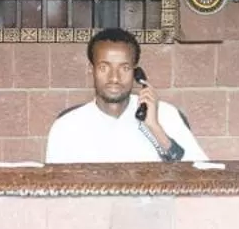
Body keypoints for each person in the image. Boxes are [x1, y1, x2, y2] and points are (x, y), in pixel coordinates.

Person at [45, 28, 208, 163]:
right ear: (91, 69)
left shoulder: (166, 115)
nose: (114, 78)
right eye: (104, 67)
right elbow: (52, 193)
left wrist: (156, 129)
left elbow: (205, 177)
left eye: (124, 68)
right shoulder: (66, 126)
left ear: (136, 72)